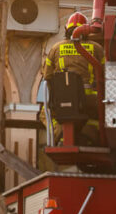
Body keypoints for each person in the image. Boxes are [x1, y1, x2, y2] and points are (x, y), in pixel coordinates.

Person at [42, 12, 105, 146]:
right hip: (90, 99)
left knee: (45, 112)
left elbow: (47, 76)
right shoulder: (97, 48)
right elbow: (106, 74)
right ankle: (88, 136)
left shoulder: (55, 48)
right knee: (97, 115)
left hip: (63, 99)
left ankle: (60, 136)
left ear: (66, 29)